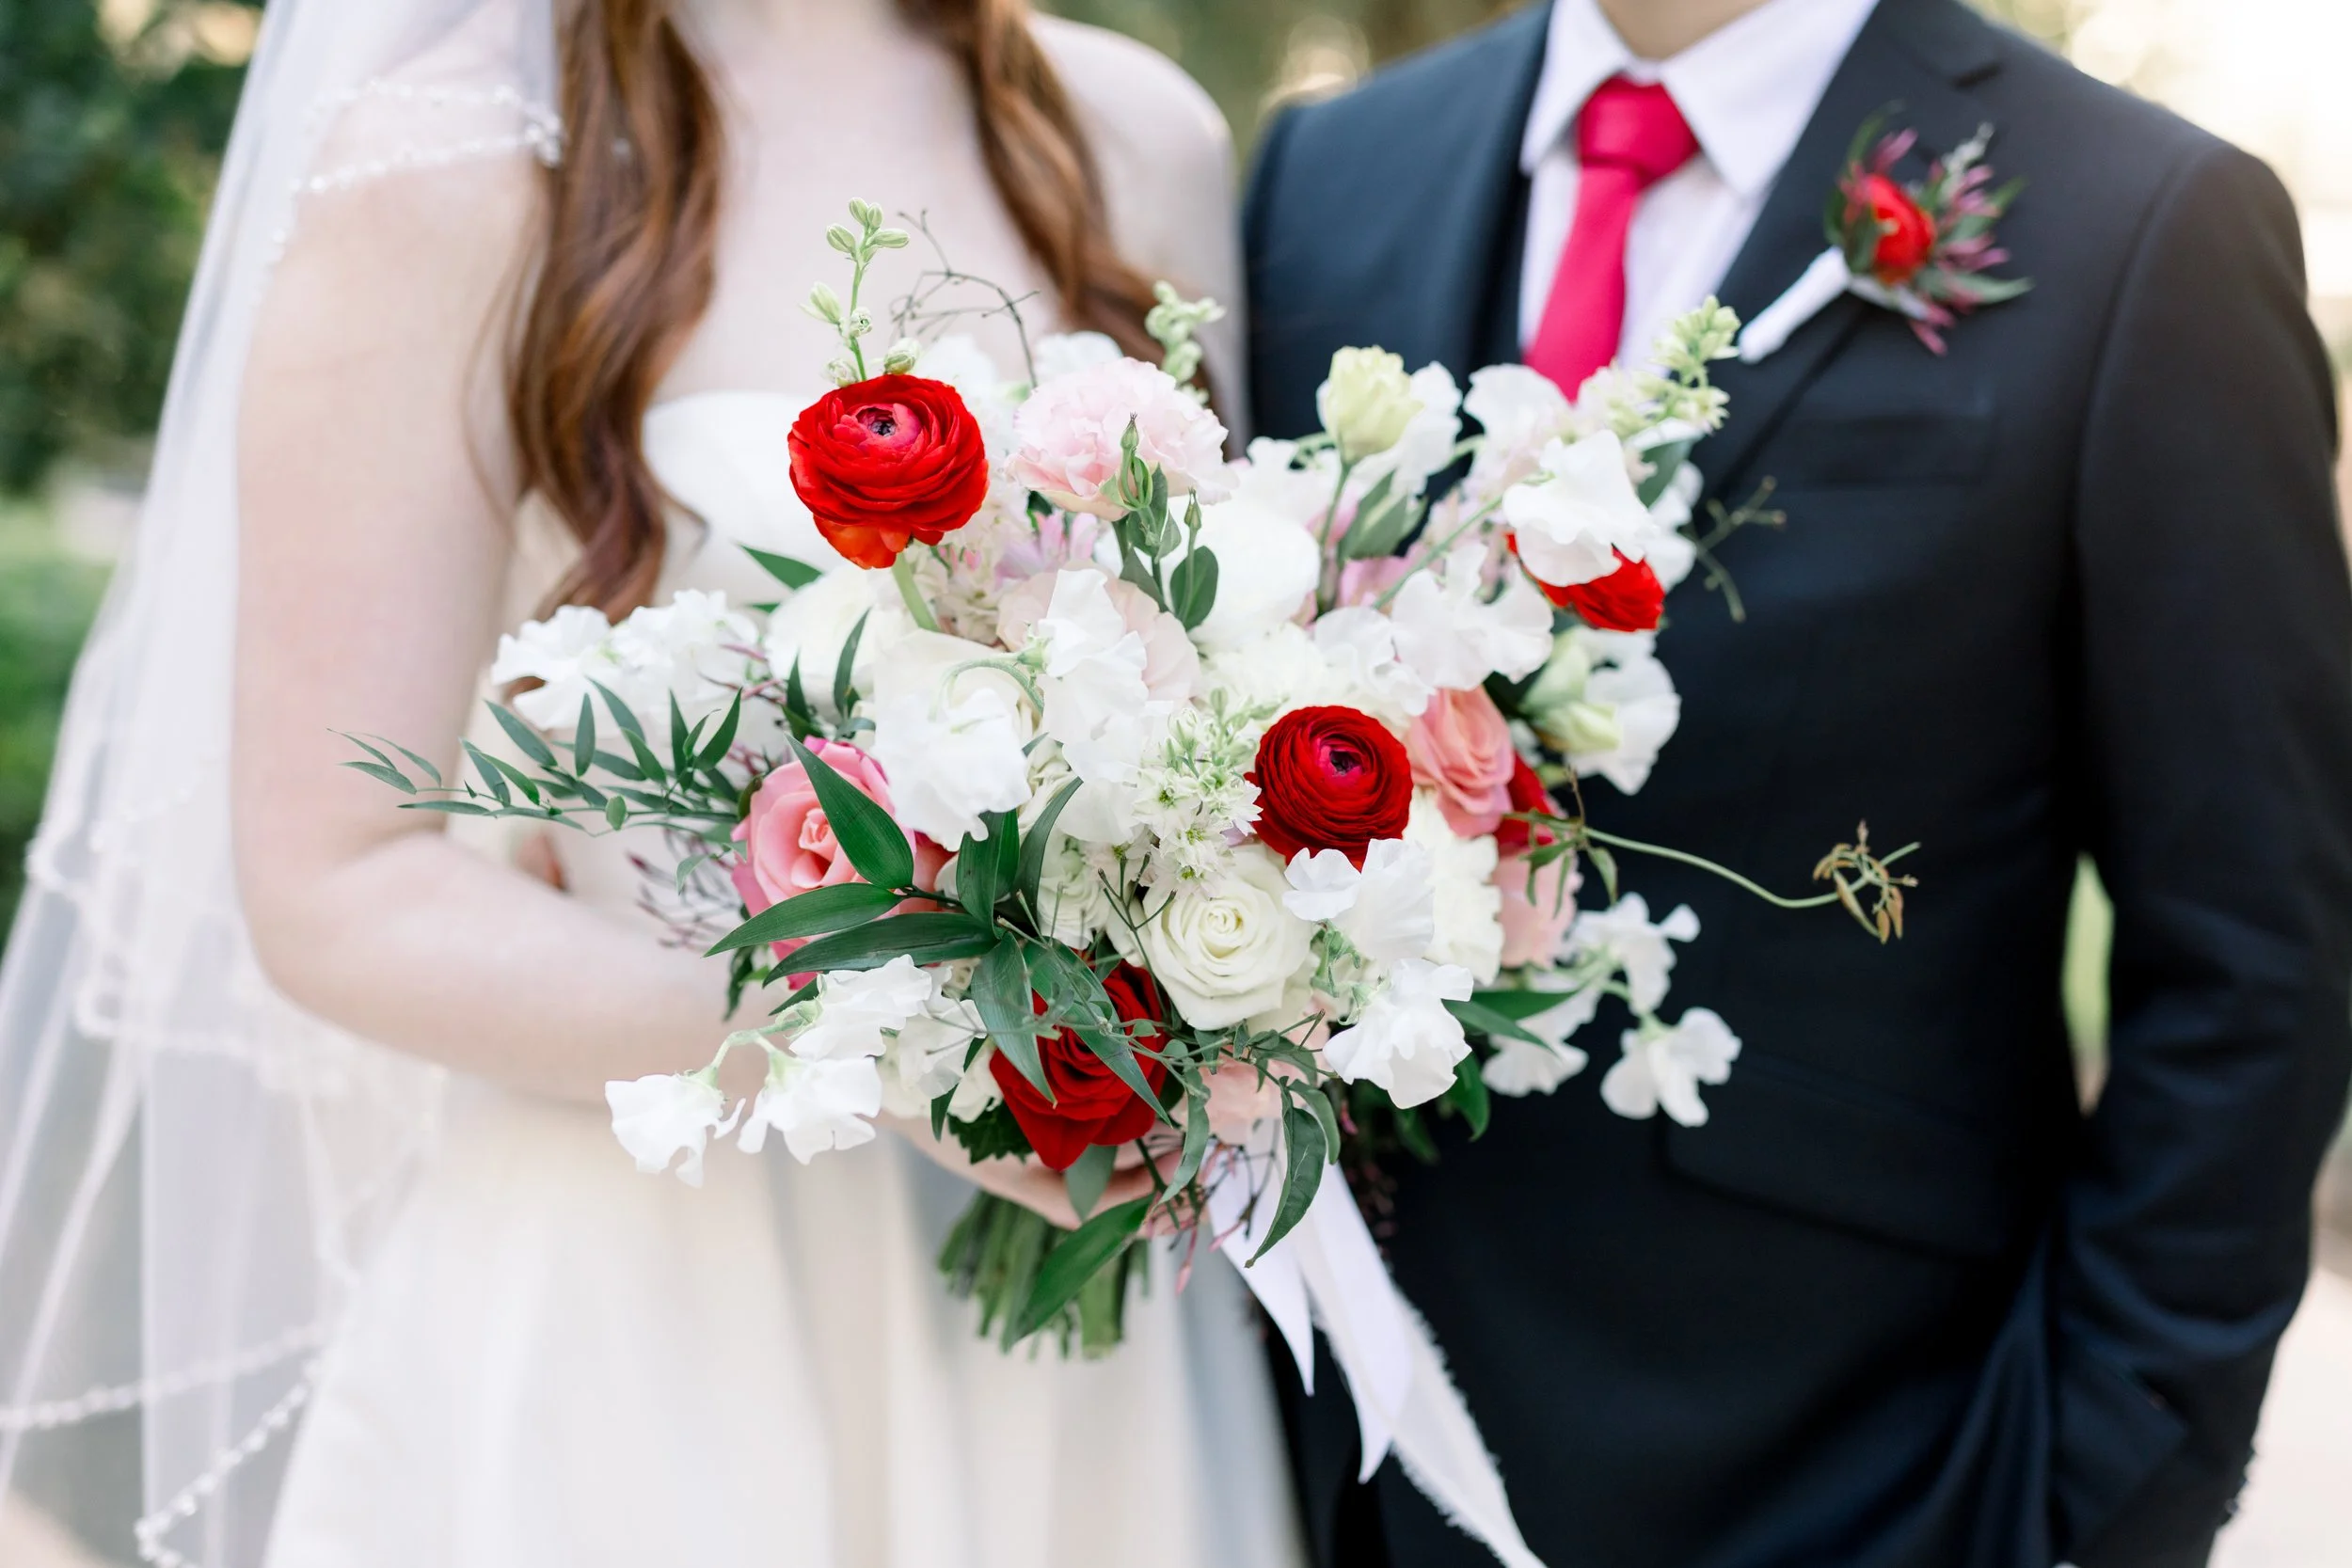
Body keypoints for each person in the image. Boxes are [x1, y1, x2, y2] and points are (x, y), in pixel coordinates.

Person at [0, 1, 1303, 1564]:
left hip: (1076, 1327)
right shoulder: (455, 158)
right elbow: (335, 881)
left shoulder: (1136, 135)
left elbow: (1224, 677)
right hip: (654, 1307)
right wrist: (889, 1052)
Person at [1246, 0, 2352, 1565]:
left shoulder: (2143, 225)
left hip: (1858, 1476)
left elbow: (2257, 968)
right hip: (1333, 1469)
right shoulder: (1326, 170)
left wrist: (2077, 1505)